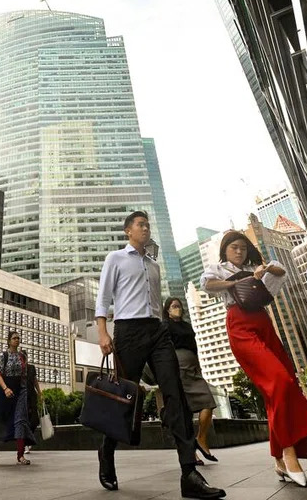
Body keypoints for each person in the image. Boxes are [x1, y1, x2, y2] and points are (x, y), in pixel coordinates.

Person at [95, 211, 224, 499]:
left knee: (175, 394)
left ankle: (189, 473)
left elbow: (155, 303)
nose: (146, 228)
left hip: (157, 331)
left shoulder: (153, 266)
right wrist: (103, 333)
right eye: (140, 225)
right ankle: (107, 450)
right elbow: (103, 298)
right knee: (125, 398)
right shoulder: (115, 258)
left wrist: (161, 327)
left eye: (147, 225)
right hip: (128, 331)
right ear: (128, 230)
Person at [202, 230, 307, 487]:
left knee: (281, 386)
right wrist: (237, 282)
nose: (239, 251)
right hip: (239, 325)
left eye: (243, 248)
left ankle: (279, 461)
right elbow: (208, 284)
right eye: (234, 247)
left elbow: (281, 271)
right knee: (279, 381)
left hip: (263, 323)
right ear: (225, 250)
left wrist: (262, 269)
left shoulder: (253, 267)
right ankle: (289, 453)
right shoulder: (218, 269)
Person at [162, 297, 219, 465]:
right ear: (167, 310)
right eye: (174, 306)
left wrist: (199, 365)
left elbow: (194, 346)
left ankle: (201, 438)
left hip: (193, 366)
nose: (177, 308)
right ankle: (192, 454)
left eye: (179, 306)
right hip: (179, 367)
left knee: (208, 403)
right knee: (185, 412)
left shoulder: (187, 326)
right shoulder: (165, 325)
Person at [0, 331, 36, 465]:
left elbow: (24, 376)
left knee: (20, 421)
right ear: (9, 341)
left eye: (18, 338)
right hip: (4, 390)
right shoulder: (3, 356)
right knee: (0, 420)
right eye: (14, 338)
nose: (17, 340)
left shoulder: (22, 356)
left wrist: (24, 392)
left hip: (19, 390)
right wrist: (5, 388)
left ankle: (20, 455)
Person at [20, 350, 43, 452]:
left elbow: (35, 381)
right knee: (25, 419)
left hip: (32, 395)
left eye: (23, 357)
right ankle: (25, 444)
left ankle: (28, 439)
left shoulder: (31, 368)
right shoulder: (18, 369)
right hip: (22, 396)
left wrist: (40, 393)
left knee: (34, 420)